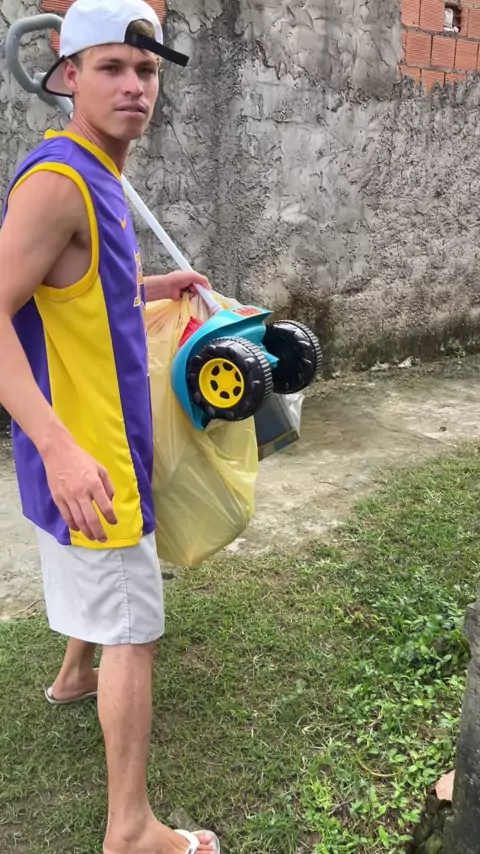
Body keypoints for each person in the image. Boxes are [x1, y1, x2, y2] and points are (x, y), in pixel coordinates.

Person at [0, 1, 220, 853]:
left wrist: (156, 287)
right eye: (112, 68)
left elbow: (78, 291)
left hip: (86, 448)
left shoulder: (95, 173)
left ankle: (71, 674)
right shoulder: (62, 182)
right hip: (89, 458)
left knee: (98, 591)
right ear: (69, 77)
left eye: (148, 70)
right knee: (137, 629)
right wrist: (61, 451)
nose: (135, 86)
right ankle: (130, 829)